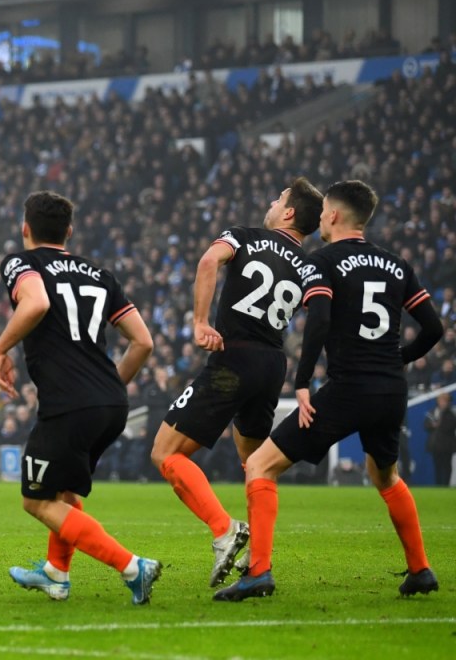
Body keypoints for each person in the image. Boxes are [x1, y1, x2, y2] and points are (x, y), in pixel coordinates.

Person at [215, 180, 444, 601]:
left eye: (323, 214)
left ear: (334, 216)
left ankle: (258, 574)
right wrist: (397, 361)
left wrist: (302, 382)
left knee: (260, 465)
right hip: (391, 390)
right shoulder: (396, 264)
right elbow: (434, 328)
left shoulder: (323, 261)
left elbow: (318, 320)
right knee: (385, 475)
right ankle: (420, 570)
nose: (319, 219)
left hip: (348, 388)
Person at [150, 179, 323, 588]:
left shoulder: (246, 237)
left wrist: (199, 321)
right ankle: (260, 567)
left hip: (235, 357)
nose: (271, 201)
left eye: (279, 199)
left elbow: (209, 262)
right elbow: (322, 313)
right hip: (272, 364)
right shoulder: (310, 265)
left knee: (165, 453)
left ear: (289, 212)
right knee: (256, 465)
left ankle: (224, 530)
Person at [0, 190, 162, 605]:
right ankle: (56, 574)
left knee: (36, 500)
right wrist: (108, 389)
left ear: (25, 228)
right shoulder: (99, 274)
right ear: (69, 231)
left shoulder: (22, 262)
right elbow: (142, 342)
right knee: (64, 493)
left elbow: (36, 303)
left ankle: (131, 566)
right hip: (110, 401)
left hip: (69, 403)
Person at [423, 391, 455, 487]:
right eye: (441, 400)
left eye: (444, 401)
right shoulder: (433, 412)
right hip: (435, 445)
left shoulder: (450, 413)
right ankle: (438, 485)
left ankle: (446, 485)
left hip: (447, 445)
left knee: (446, 466)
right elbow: (426, 425)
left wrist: (439, 425)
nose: (442, 403)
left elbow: (451, 426)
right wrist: (432, 425)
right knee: (437, 466)